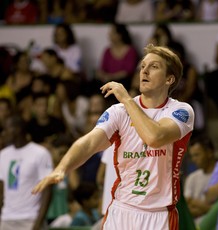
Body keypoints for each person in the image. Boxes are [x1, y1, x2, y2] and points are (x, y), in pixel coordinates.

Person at [32, 44, 195, 230]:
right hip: (122, 210)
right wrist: (62, 168)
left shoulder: (181, 111)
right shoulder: (118, 112)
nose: (145, 71)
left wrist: (126, 99)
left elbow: (155, 137)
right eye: (143, 66)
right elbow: (89, 143)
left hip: (158, 214)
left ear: (169, 79)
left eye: (154, 67)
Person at [0, 115, 53, 230]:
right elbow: (2, 189)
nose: (3, 133)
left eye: (6, 129)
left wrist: (38, 223)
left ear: (17, 129)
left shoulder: (40, 153)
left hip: (31, 218)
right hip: (6, 219)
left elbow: (48, 191)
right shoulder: (3, 155)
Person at [184, 132, 217, 226]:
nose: (194, 159)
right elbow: (187, 210)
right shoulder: (191, 178)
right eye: (192, 156)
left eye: (197, 155)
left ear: (210, 153)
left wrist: (193, 202)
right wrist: (209, 209)